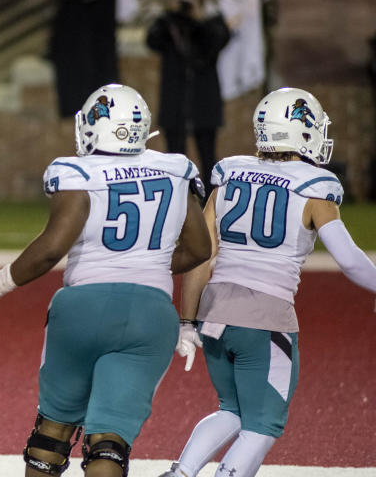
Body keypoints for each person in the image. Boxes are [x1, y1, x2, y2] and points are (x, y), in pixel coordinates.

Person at [0, 83, 211, 477]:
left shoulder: (77, 172)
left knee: (52, 432)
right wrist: (142, 267)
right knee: (109, 441)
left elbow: (51, 248)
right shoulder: (175, 169)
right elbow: (200, 250)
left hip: (82, 308)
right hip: (151, 313)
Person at [160, 87, 376, 477]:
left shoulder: (230, 173)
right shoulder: (315, 186)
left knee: (232, 411)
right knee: (262, 426)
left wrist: (187, 322)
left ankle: (180, 473)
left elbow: (202, 255)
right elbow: (349, 260)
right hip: (265, 317)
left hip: (213, 316)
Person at [146, 0, 231, 192]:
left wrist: (199, 18)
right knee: (175, 158)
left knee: (208, 157)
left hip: (204, 98)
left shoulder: (213, 21)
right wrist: (171, 15)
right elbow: (152, 41)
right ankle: (178, 198)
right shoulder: (170, 22)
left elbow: (217, 44)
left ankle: (210, 202)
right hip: (175, 98)